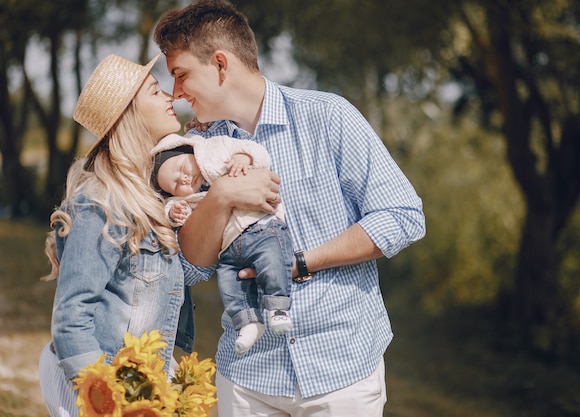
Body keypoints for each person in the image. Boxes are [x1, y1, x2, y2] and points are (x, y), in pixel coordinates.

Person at [154, 1, 426, 416]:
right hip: (248, 378)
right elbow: (192, 267)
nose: (176, 94)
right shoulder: (197, 153)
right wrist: (222, 194)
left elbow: (402, 215)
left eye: (181, 74)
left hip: (341, 371)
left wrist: (299, 262)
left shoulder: (327, 116)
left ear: (221, 65)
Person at [37, 53, 279, 417]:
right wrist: (106, 400)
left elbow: (188, 275)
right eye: (154, 91)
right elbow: (71, 319)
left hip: (144, 384)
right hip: (102, 384)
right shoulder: (100, 202)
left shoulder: (154, 197)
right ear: (130, 116)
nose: (170, 96)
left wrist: (221, 198)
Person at [151, 133, 294, 355]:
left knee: (272, 260)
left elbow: (258, 152)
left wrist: (244, 158)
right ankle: (247, 322)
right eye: (176, 184)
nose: (184, 179)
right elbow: (171, 209)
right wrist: (175, 212)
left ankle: (278, 308)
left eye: (181, 167)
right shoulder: (189, 199)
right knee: (230, 283)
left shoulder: (218, 150)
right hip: (230, 246)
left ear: (189, 150)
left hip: (261, 226)